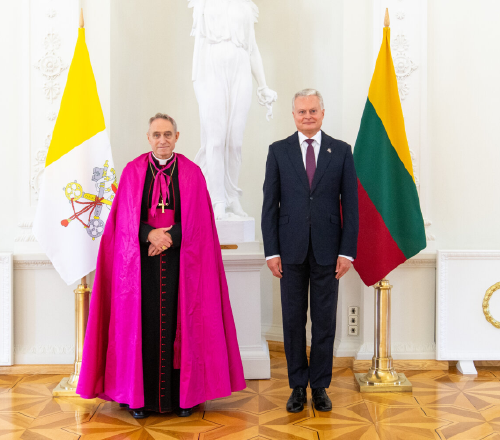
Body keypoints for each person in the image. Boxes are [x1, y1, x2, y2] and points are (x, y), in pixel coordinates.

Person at [77, 113, 246, 419]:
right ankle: (138, 400)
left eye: (168, 134)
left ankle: (183, 398)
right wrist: (149, 235)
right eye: (156, 135)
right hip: (140, 268)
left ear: (177, 137)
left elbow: (200, 221)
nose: (162, 140)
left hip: (183, 265)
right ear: (148, 138)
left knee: (182, 329)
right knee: (141, 330)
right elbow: (122, 220)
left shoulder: (192, 173)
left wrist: (169, 238)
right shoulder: (133, 171)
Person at [261, 89, 359, 413]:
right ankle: (297, 387)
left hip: (329, 252)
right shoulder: (278, 151)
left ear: (322, 113)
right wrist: (271, 252)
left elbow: (351, 206)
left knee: (324, 323)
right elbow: (270, 205)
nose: (307, 116)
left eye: (312, 110)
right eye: (301, 111)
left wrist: (347, 252)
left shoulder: (341, 151)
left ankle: (319, 386)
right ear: (293, 115)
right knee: (292, 322)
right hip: (288, 251)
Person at [189, 0, 277, 219]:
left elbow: (252, 49)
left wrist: (263, 86)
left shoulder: (245, 6)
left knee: (235, 142)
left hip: (241, 70)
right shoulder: (204, 4)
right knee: (216, 140)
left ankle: (232, 196)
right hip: (211, 71)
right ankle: (217, 199)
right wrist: (198, 85)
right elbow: (198, 49)